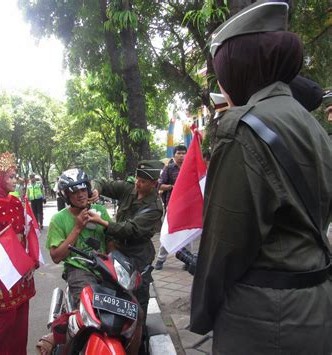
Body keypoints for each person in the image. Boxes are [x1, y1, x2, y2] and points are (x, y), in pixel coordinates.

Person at [190, 2, 332, 354]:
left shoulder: (243, 128)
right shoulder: (310, 123)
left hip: (265, 319)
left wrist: (202, 312)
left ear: (238, 69)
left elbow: (223, 247)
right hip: (315, 304)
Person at [88, 160, 164, 354]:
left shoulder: (154, 207)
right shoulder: (129, 189)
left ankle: (138, 344)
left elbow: (130, 229)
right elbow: (102, 182)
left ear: (154, 183)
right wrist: (96, 190)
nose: (138, 184)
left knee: (138, 303)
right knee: (113, 296)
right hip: (118, 252)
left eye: (143, 182)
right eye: (137, 179)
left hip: (138, 257)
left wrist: (103, 223)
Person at [0, 152, 38, 355]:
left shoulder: (16, 201)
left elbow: (25, 235)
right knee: (3, 323)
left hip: (20, 266)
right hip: (1, 270)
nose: (14, 180)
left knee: (21, 319)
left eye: (14, 176)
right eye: (9, 177)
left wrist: (29, 261)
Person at [47, 168, 111, 306]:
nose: (80, 195)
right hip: (79, 268)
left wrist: (102, 223)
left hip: (105, 266)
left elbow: (113, 243)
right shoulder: (58, 219)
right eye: (74, 192)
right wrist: (77, 228)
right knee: (91, 308)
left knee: (134, 311)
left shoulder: (100, 211)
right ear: (66, 196)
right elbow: (56, 257)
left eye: (83, 190)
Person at [154, 145, 187, 270]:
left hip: (187, 206)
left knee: (187, 232)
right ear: (174, 155)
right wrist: (173, 187)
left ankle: (187, 260)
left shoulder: (190, 167)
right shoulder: (168, 168)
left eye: (184, 153)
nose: (181, 156)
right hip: (172, 205)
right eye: (179, 153)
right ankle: (161, 259)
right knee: (168, 231)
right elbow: (159, 185)